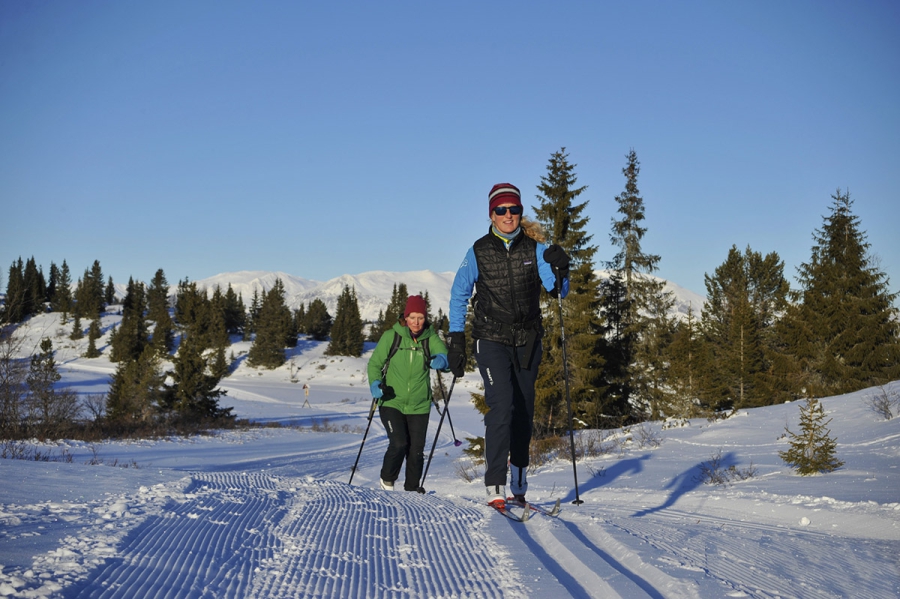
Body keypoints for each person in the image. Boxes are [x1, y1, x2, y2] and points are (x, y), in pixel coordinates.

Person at [447, 182, 570, 508]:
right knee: (501, 406)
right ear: (492, 213)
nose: (508, 215)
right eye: (501, 210)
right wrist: (456, 340)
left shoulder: (535, 248)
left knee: (523, 411)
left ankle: (518, 477)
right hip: (490, 339)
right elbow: (459, 294)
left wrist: (562, 267)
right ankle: (495, 484)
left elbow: (557, 290)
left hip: (527, 341)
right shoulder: (478, 250)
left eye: (514, 209)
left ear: (520, 212)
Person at [367, 294, 449, 493]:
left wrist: (441, 361)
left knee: (416, 451)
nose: (416, 322)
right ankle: (387, 481)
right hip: (391, 401)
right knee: (399, 443)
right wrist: (375, 383)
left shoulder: (430, 338)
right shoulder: (392, 336)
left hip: (419, 405)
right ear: (406, 317)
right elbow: (375, 364)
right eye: (412, 317)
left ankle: (412, 490)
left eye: (420, 317)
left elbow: (444, 358)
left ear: (425, 318)